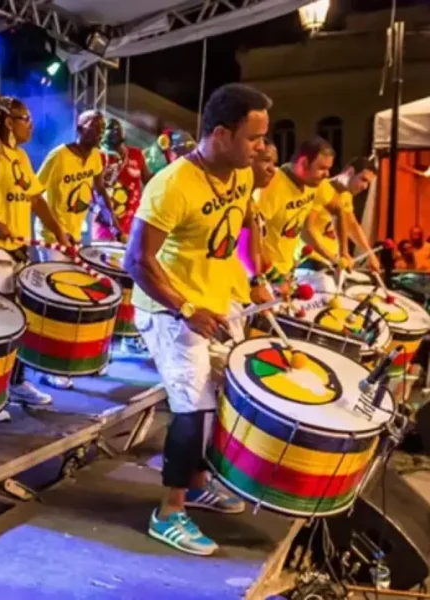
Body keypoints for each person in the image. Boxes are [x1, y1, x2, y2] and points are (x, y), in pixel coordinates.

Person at [125, 83, 272, 556]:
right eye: (254, 138)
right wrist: (185, 309)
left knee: (231, 393)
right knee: (194, 408)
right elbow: (137, 262)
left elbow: (242, 231)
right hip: (168, 309)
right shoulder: (171, 184)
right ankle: (168, 512)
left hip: (215, 301)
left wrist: (253, 280)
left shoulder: (240, 174)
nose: (263, 148)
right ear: (223, 134)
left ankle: (199, 481)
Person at [0, 90, 71, 418]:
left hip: (18, 251)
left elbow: (36, 199)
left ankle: (15, 384)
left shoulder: (20, 158)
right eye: (25, 119)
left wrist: (59, 230)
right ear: (7, 122)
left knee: (21, 322)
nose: (30, 125)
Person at [34, 109, 109, 389]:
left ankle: (71, 361)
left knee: (77, 298)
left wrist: (113, 223)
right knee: (59, 299)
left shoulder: (96, 158)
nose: (99, 130)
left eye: (102, 126)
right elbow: (34, 191)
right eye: (94, 125)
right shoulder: (58, 156)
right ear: (79, 127)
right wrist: (56, 229)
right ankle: (50, 369)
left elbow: (100, 190)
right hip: (52, 235)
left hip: (75, 236)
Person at [255, 137, 340, 290]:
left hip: (286, 272)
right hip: (264, 276)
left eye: (329, 168)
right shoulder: (271, 187)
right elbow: (249, 236)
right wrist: (269, 276)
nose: (327, 174)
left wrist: (334, 258)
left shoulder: (313, 184)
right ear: (304, 163)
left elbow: (307, 230)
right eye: (322, 168)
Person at [297, 156, 382, 290]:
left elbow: (352, 226)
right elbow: (307, 230)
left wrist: (370, 254)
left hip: (330, 262)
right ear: (350, 172)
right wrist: (334, 259)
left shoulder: (346, 195)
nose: (365, 187)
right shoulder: (323, 188)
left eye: (368, 183)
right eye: (363, 179)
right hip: (311, 260)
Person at [230, 138, 278, 329]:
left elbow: (258, 253)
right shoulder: (238, 199)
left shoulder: (251, 202)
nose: (272, 169)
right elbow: (242, 247)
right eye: (266, 161)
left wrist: (278, 278)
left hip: (241, 292)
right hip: (226, 297)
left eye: (274, 163)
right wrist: (255, 283)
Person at [95, 118, 150, 242]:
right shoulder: (98, 157)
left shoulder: (136, 154)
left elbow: (149, 180)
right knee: (103, 257)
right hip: (105, 222)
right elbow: (97, 192)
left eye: (116, 146)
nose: (113, 151)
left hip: (132, 221)